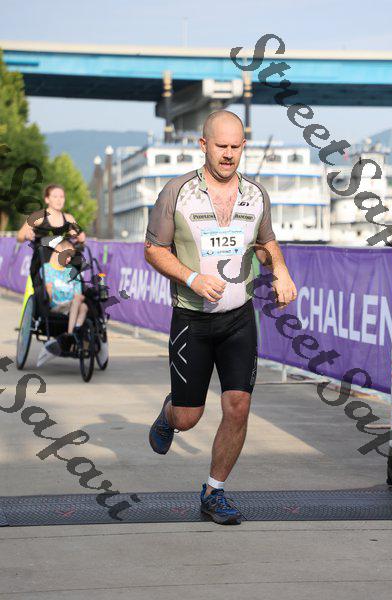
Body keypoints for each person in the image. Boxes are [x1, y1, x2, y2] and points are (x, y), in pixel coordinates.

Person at [144, 110, 298, 525]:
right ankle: (170, 413)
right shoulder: (177, 192)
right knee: (189, 417)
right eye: (220, 146)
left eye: (235, 147)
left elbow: (266, 242)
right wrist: (192, 277)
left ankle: (214, 492)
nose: (228, 154)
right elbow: (154, 249)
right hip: (192, 319)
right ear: (203, 145)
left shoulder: (256, 195)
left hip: (238, 319)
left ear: (243, 147)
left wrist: (280, 269)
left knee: (238, 405)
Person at [16, 184, 86, 318]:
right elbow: (19, 236)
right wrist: (27, 235)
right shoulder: (38, 216)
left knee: (77, 261)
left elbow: (82, 237)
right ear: (47, 199)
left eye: (61, 197)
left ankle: (75, 307)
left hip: (64, 263)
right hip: (43, 261)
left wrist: (77, 235)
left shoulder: (68, 218)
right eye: (55, 196)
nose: (59, 200)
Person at [37, 238, 88, 366]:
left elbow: (78, 293)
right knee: (80, 304)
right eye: (68, 255)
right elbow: (47, 292)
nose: (69, 259)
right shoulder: (46, 269)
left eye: (71, 257)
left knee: (83, 306)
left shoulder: (72, 272)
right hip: (56, 306)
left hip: (72, 306)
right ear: (58, 250)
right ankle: (71, 334)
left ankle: (72, 333)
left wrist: (78, 297)